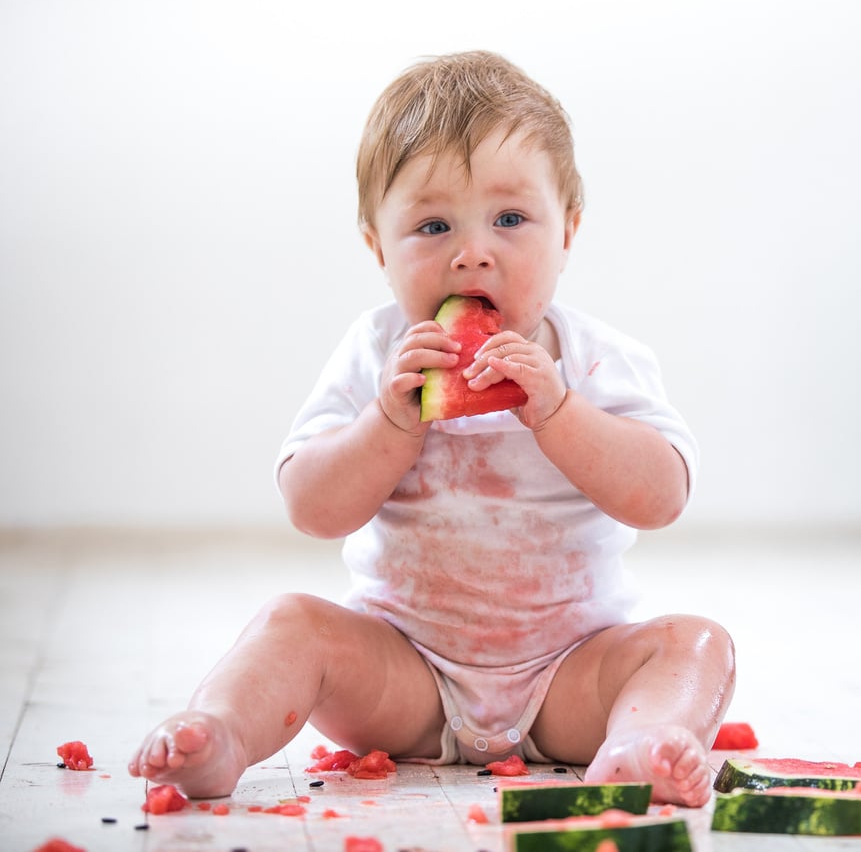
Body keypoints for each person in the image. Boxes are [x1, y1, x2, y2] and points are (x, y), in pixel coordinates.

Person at [129, 50, 735, 807]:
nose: (472, 251)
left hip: (572, 674)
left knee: (697, 643)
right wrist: (388, 421)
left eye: (510, 219)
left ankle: (631, 745)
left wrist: (558, 413)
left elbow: (662, 495)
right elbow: (311, 508)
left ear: (568, 231)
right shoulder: (377, 356)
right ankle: (221, 732)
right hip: (405, 674)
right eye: (432, 224)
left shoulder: (600, 360)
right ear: (379, 248)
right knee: (291, 621)